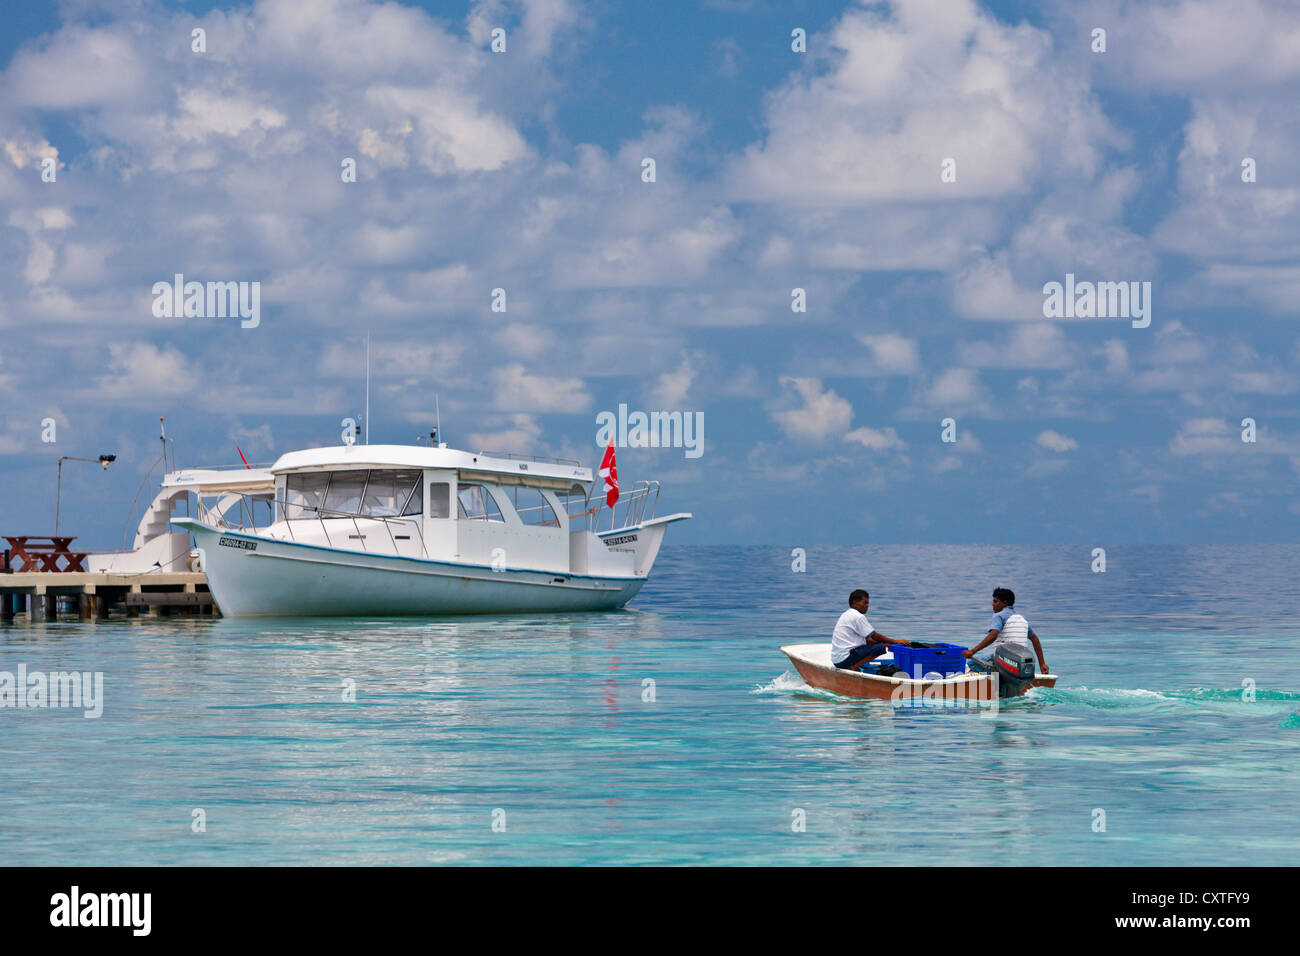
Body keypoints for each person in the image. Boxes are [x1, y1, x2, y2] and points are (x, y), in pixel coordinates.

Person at [962, 587, 1048, 674]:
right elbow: (1035, 640)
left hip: (1005, 660)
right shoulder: (1022, 618)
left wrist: (972, 651)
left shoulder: (999, 616)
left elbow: (993, 635)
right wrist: (1042, 664)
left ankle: (981, 682)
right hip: (1022, 662)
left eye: (995, 601)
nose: (992, 604)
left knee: (970, 663)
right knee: (981, 656)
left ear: (1005, 603)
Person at [832, 589, 910, 670]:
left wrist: (887, 644)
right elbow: (875, 636)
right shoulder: (858, 617)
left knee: (880, 645)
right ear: (855, 603)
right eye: (864, 603)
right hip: (845, 659)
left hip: (837, 661)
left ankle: (854, 665)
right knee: (880, 648)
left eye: (868, 603)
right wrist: (895, 641)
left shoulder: (846, 614)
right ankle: (854, 667)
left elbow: (869, 640)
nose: (867, 606)